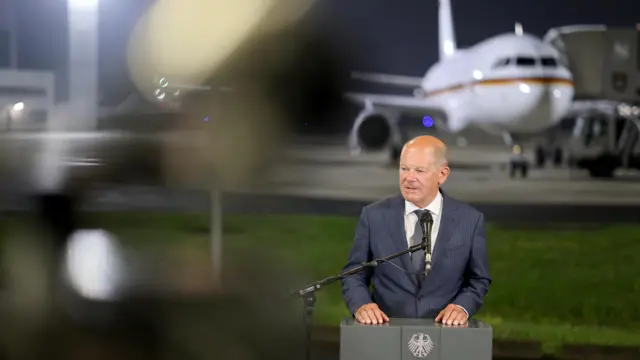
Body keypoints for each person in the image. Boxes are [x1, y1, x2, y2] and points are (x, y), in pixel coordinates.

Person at [341, 135, 491, 326]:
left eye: (420, 170)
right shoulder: (374, 216)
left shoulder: (469, 220)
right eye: (404, 169)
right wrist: (362, 305)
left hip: (445, 334)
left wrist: (462, 307)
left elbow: (478, 279)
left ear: (442, 175)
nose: (409, 178)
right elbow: (354, 273)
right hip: (384, 333)